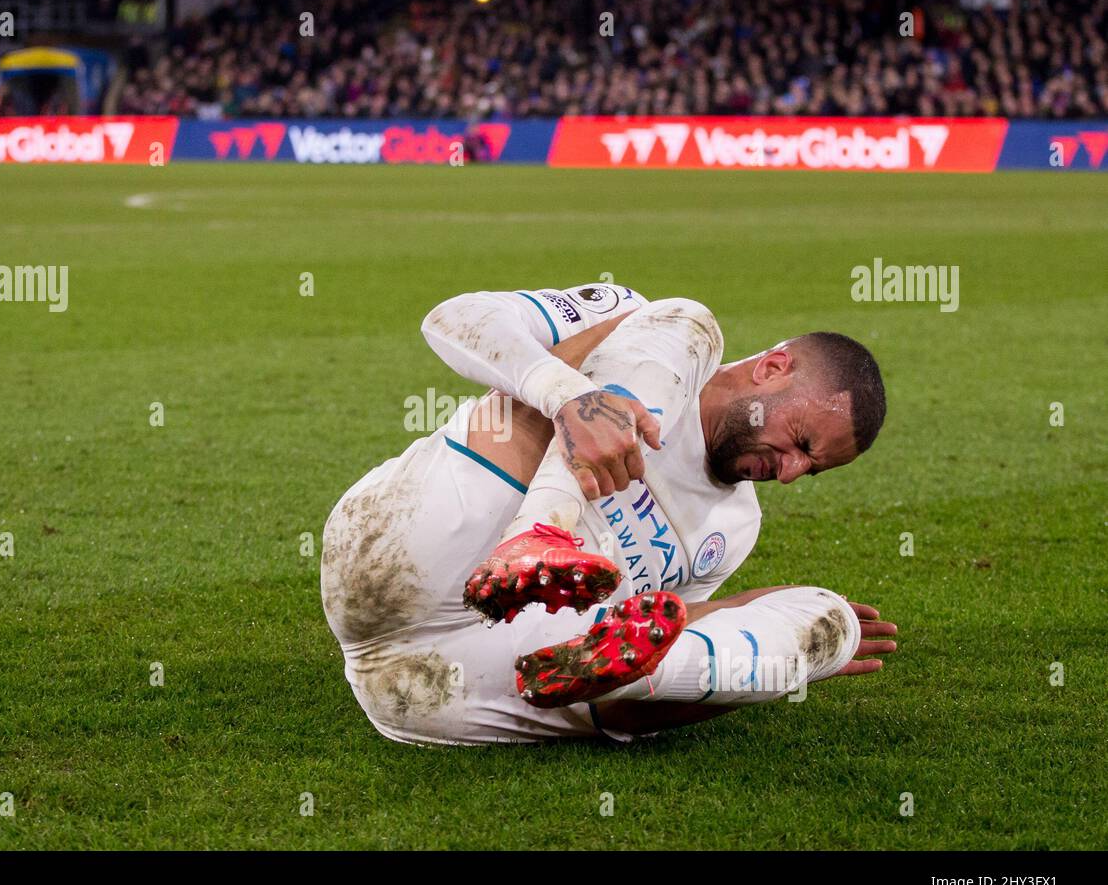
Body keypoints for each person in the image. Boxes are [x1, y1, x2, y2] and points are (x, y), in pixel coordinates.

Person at [320, 283, 894, 744]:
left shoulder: (735, 528)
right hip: (408, 550)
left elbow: (646, 629)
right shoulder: (634, 321)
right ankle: (537, 530)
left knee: (822, 617)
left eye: (810, 469)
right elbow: (452, 317)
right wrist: (566, 396)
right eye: (799, 441)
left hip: (443, 695)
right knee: (688, 321)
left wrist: (772, 647)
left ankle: (698, 661)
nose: (791, 472)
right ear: (773, 368)